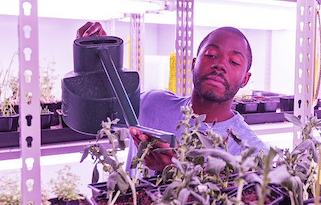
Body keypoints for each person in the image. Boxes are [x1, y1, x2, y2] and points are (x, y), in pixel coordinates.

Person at [77, 22, 269, 171]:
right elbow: (100, 107)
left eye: (234, 61)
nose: (220, 64)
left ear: (245, 80)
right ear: (194, 64)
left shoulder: (252, 151)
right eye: (210, 55)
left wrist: (178, 169)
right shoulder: (153, 103)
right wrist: (93, 57)